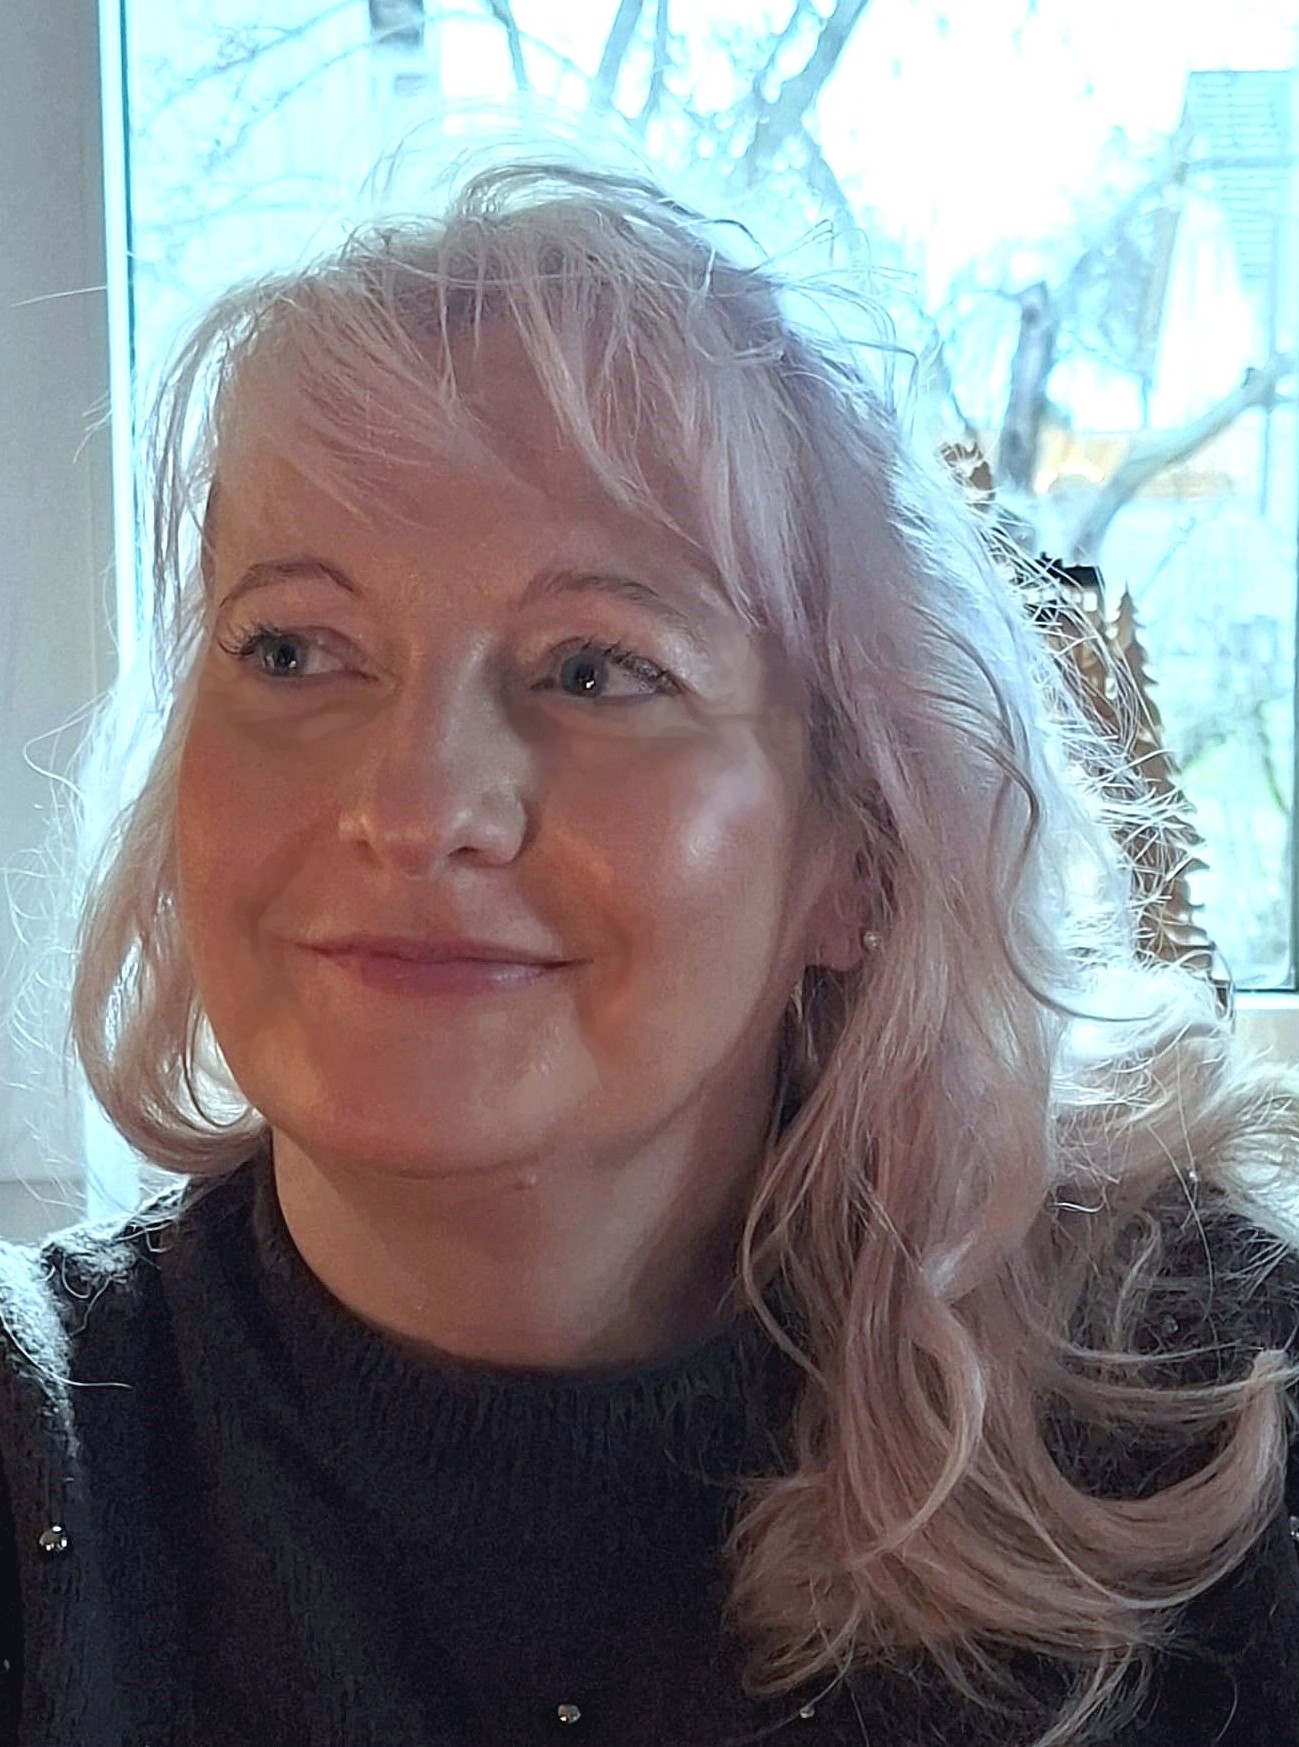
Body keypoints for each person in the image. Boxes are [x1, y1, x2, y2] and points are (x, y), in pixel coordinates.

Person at [0, 158, 1296, 1747]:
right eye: (293, 648)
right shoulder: (36, 1453)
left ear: (854, 851)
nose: (415, 808)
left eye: (596, 669)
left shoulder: (1202, 1404)